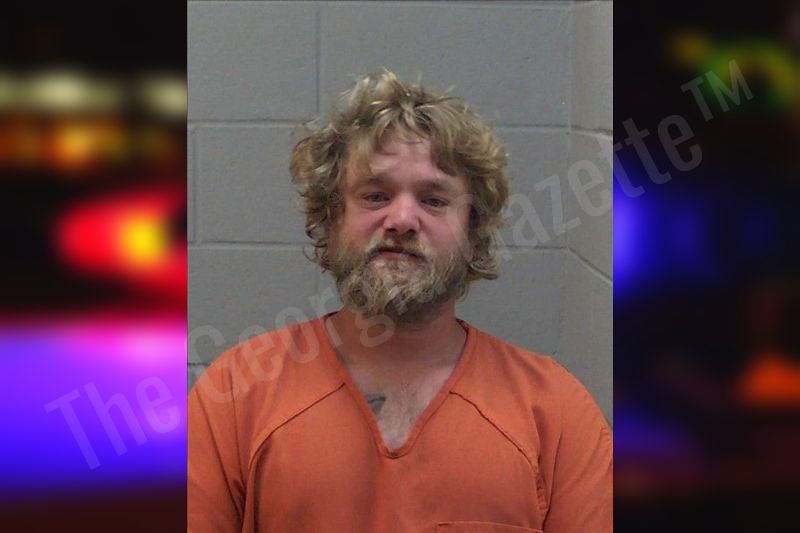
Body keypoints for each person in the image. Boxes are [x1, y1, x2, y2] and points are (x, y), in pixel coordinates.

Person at [188, 70, 612, 533]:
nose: (403, 219)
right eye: (375, 196)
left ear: (473, 231)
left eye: (434, 200)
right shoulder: (235, 395)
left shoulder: (557, 415)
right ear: (331, 219)